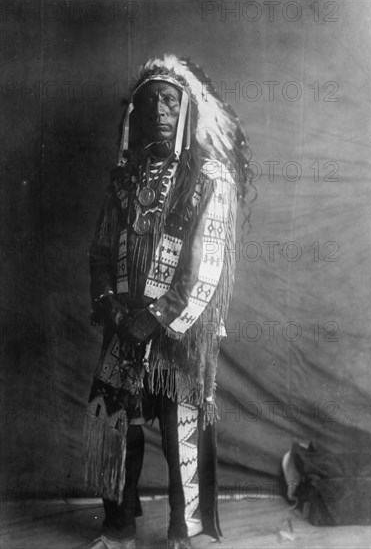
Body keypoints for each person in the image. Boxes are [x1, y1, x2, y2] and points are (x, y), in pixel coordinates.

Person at [83, 54, 253, 549]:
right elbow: (99, 251)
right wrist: (110, 306)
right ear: (134, 112)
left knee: (184, 431)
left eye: (171, 98)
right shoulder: (123, 181)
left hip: (181, 330)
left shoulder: (209, 178)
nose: (160, 105)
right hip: (123, 325)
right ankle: (117, 528)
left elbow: (209, 264)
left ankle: (188, 530)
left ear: (187, 112)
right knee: (119, 425)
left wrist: (157, 317)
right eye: (150, 98)